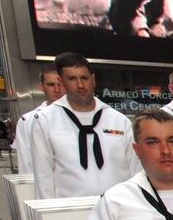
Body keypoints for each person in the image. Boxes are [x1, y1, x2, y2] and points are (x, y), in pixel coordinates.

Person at [31, 53, 141, 199]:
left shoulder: (118, 121)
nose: (80, 85)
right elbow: (43, 176)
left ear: (93, 80)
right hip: (70, 211)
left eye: (84, 78)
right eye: (72, 79)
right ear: (61, 81)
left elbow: (135, 170)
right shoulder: (45, 121)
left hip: (118, 207)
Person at [11, 65, 64, 175]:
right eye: (51, 85)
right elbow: (26, 162)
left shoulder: (82, 117)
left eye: (61, 84)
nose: (57, 90)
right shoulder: (27, 121)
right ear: (42, 87)